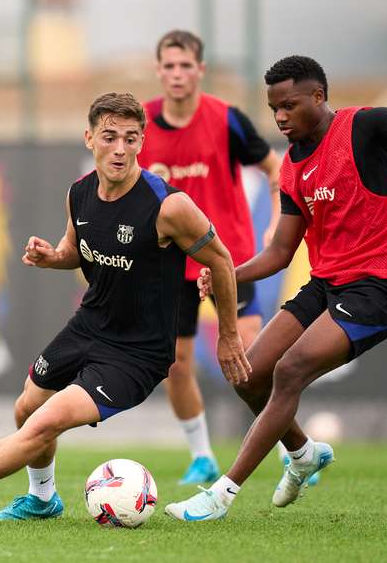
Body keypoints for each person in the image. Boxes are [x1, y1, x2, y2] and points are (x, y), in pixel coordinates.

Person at [0, 92, 250, 522]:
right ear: (89, 138)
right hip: (89, 326)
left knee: (45, 421)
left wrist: (230, 335)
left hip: (138, 352)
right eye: (109, 137)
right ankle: (43, 500)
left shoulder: (168, 206)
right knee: (26, 407)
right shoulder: (79, 193)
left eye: (131, 138)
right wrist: (54, 256)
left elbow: (221, 259)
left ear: (143, 142)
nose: (120, 149)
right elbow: (76, 248)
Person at [166, 55, 387, 521]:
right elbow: (280, 251)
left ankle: (221, 494)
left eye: (289, 105)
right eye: (274, 108)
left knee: (291, 368)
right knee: (248, 374)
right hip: (327, 284)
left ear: (318, 97)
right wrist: (226, 273)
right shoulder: (294, 170)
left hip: (381, 285)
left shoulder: (363, 126)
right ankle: (303, 454)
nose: (280, 117)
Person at [137, 30, 282, 484]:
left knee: (253, 361)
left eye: (186, 66)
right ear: (158, 70)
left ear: (200, 71)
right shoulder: (138, 123)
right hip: (169, 265)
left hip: (228, 259)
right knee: (174, 363)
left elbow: (276, 172)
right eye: (170, 66)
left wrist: (277, 221)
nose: (177, 74)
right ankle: (202, 456)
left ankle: (286, 450)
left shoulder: (226, 120)